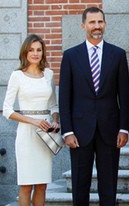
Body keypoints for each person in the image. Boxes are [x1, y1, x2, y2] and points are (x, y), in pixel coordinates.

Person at [59, 7, 129, 205]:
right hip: (79, 131)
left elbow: (124, 96)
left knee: (108, 185)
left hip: (110, 129)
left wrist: (124, 128)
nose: (97, 26)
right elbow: (64, 97)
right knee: (80, 184)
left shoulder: (118, 54)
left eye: (100, 22)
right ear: (84, 25)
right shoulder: (71, 56)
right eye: (92, 22)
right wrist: (67, 131)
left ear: (105, 24)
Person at [2, 34, 59, 206]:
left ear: (43, 52)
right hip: (26, 136)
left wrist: (55, 120)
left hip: (45, 136)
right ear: (25, 52)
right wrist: (33, 121)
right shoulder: (17, 75)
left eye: (39, 50)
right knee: (26, 186)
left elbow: (54, 105)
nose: (35, 53)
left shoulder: (48, 74)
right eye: (31, 50)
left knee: (41, 186)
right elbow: (7, 110)